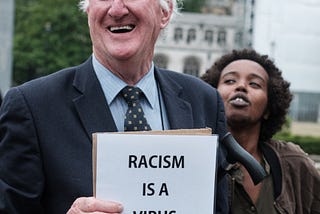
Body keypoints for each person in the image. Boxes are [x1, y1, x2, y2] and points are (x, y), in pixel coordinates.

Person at [0, 0, 231, 213]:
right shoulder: (32, 106)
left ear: (165, 11)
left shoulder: (204, 101)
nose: (117, 9)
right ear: (88, 10)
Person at [201, 48, 320, 214]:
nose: (241, 86)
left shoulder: (294, 163)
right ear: (211, 96)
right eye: (229, 81)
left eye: (254, 84)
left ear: (268, 108)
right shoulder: (194, 160)